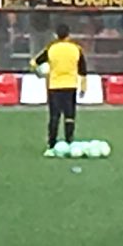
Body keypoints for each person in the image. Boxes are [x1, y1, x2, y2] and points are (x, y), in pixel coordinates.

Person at [32, 22, 86, 151]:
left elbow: (34, 62)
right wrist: (83, 87)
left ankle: (52, 143)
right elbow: (83, 70)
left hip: (54, 86)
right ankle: (69, 140)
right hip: (70, 86)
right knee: (69, 115)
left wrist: (39, 73)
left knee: (54, 115)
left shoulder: (52, 48)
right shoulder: (76, 49)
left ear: (56, 35)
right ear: (69, 35)